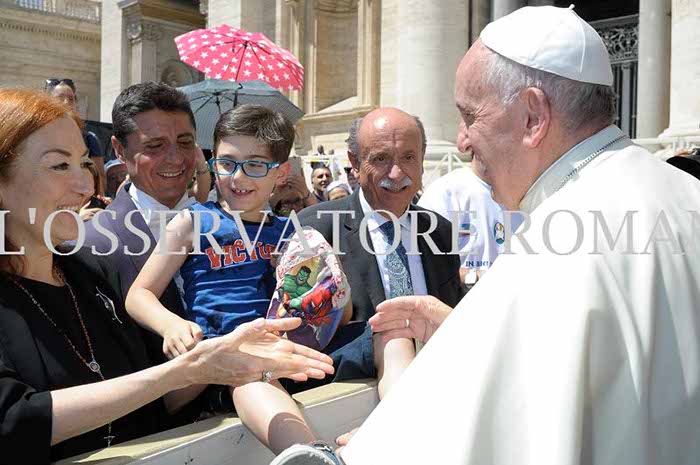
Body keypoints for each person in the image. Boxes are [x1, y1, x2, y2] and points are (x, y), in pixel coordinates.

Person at [333, 6, 700, 465]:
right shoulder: (687, 192)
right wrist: (463, 330)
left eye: (470, 116)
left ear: (533, 116)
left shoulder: (552, 250)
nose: (462, 141)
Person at [0, 88, 334, 465]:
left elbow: (152, 405)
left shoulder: (86, 272)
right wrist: (190, 365)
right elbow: (14, 419)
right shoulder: (103, 245)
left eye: (84, 163)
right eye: (59, 166)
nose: (86, 187)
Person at [125, 105, 345, 455]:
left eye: (255, 165)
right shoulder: (192, 222)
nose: (237, 178)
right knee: (250, 376)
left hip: (279, 350)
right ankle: (309, 455)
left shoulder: (292, 234)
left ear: (281, 172)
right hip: (217, 357)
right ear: (213, 164)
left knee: (383, 332)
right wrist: (171, 325)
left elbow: (334, 312)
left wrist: (325, 282)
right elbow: (139, 294)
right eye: (227, 163)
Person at [418, 154, 517, 287]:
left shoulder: (527, 194)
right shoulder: (444, 193)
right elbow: (426, 270)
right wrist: (476, 277)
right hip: (463, 298)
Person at [46, 78, 106, 192]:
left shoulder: (89, 139)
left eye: (71, 99)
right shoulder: (37, 135)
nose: (66, 102)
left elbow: (100, 178)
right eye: (60, 98)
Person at [78, 157, 110, 222]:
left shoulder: (103, 205)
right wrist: (78, 220)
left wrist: (114, 209)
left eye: (87, 182)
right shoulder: (59, 206)